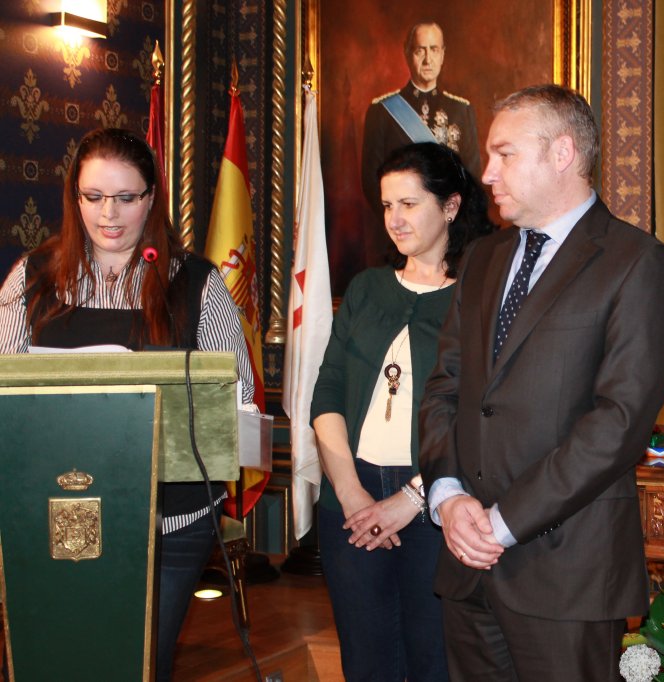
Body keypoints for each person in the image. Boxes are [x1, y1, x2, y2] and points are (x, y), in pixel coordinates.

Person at [418, 84, 664, 681]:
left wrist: (502, 523)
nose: (488, 173)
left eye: (504, 154)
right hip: (466, 565)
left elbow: (618, 423)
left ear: (562, 153)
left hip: (567, 573)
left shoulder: (638, 263)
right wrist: (449, 496)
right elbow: (445, 388)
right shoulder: (482, 259)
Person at [0, 127, 255, 681]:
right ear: (74, 197)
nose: (108, 214)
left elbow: (236, 399)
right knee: (60, 662)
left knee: (139, 665)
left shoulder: (197, 283)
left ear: (151, 197)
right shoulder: (31, 279)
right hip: (55, 514)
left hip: (172, 520)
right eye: (93, 197)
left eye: (125, 197)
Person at [310, 142, 493, 682]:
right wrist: (351, 494)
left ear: (451, 206)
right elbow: (328, 392)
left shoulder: (478, 298)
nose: (394, 219)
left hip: (439, 501)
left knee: (432, 660)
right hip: (351, 498)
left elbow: (479, 415)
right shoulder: (366, 288)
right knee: (365, 661)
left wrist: (412, 499)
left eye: (409, 204)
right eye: (388, 205)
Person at [361, 21, 481, 213]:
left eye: (434, 50)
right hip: (401, 223)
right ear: (407, 54)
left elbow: (472, 179)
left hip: (449, 224)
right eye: (420, 51)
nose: (428, 60)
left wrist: (450, 219)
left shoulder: (461, 110)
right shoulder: (382, 112)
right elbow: (371, 182)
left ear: (442, 54)